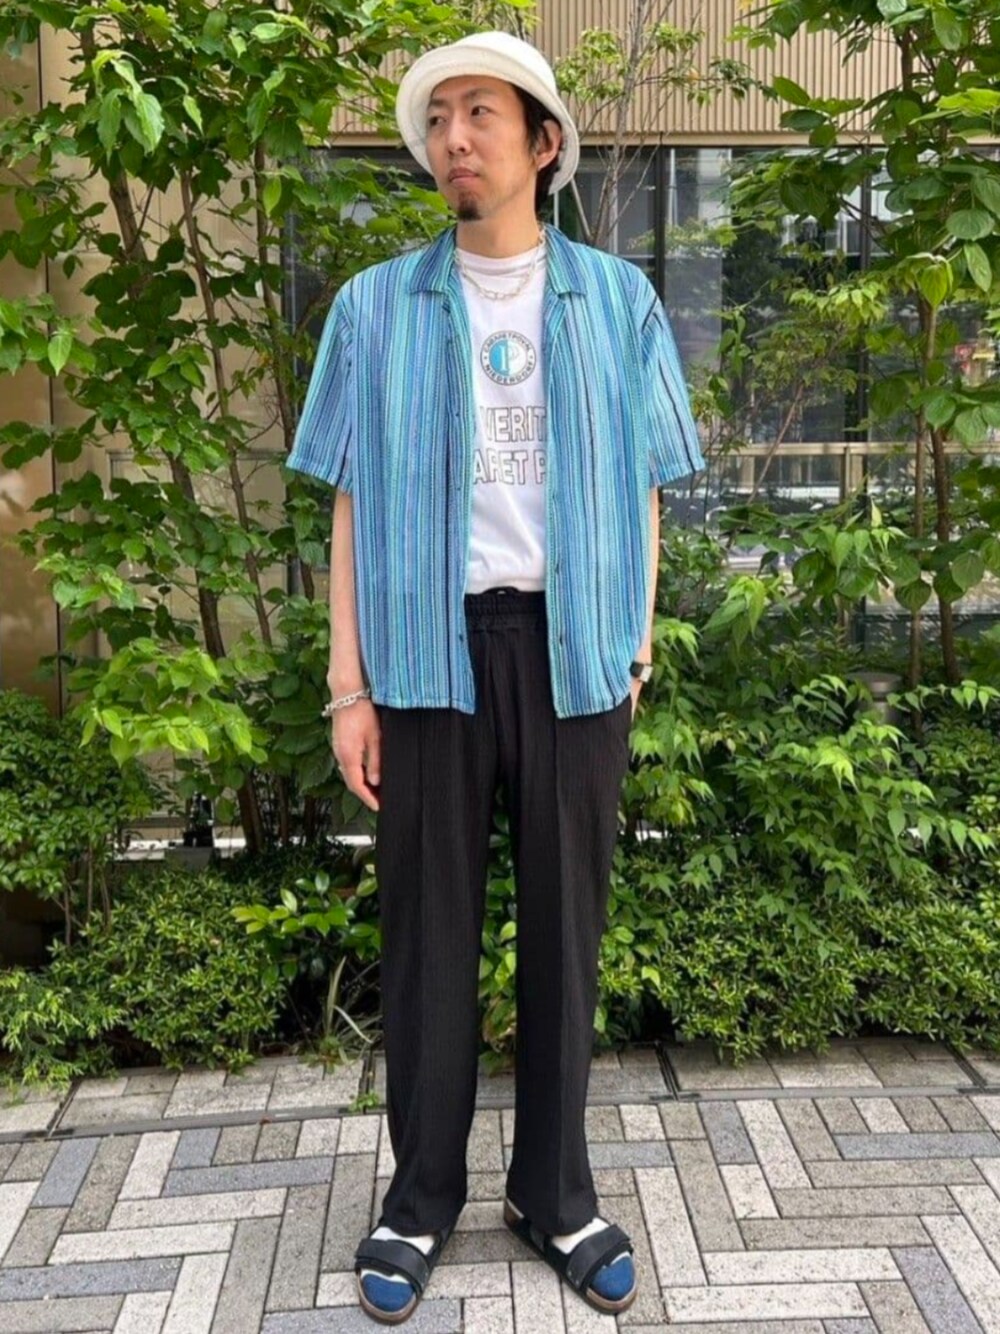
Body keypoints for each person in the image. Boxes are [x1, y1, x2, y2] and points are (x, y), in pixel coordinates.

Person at [285, 30, 705, 1325]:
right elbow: (350, 500)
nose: (452, 138)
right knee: (427, 938)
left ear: (542, 141)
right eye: (437, 119)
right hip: (427, 652)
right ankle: (419, 1198)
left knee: (566, 935)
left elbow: (646, 480)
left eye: (480, 113)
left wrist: (636, 638)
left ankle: (554, 1193)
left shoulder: (618, 303)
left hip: (574, 652)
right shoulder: (373, 308)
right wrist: (348, 684)